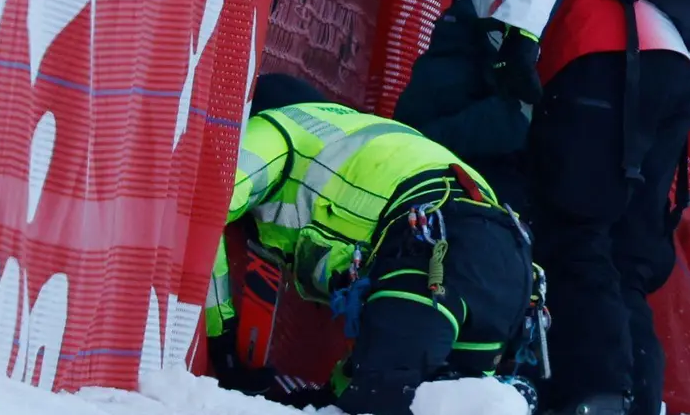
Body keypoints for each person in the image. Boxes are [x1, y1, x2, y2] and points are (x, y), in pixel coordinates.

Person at [369, 0, 690, 415]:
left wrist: (516, 32)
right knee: (619, 256)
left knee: (573, 237)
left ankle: (593, 399)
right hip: (656, 61)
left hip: (599, 56)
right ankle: (631, 401)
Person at [205, 72, 534, 415]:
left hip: (437, 253)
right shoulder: (362, 135)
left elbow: (205, 211)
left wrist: (221, 336)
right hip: (507, 261)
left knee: (378, 400)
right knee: (452, 401)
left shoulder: (275, 129)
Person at [394, 0, 533, 216]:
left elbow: (516, 116)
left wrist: (420, 145)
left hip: (468, 193)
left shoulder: (515, 0)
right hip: (429, 179)